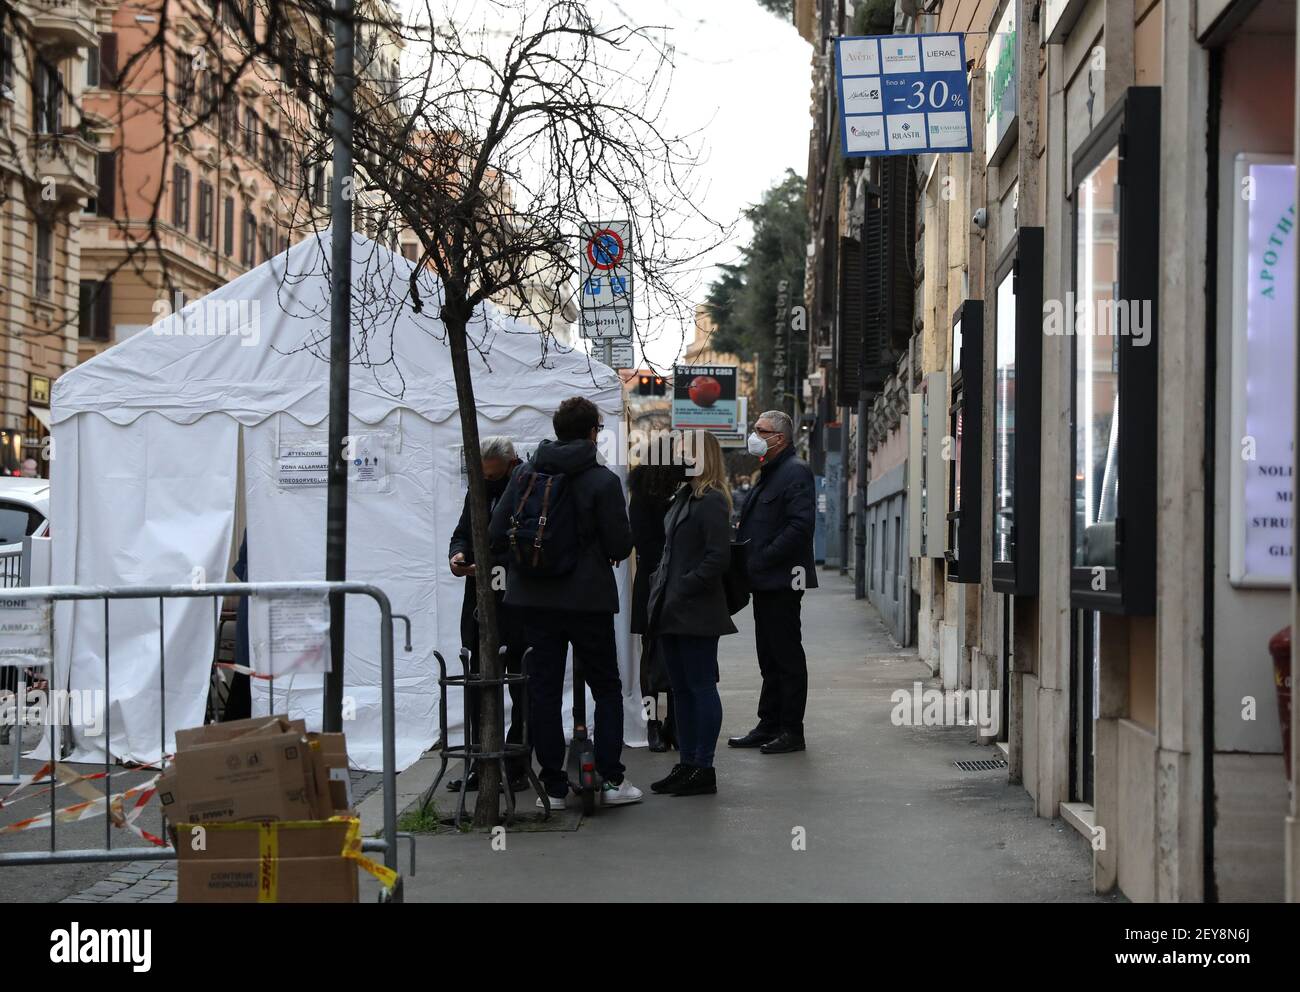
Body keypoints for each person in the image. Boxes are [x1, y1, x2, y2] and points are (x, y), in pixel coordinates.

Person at [489, 397, 642, 808]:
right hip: (588, 600)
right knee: (606, 688)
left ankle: (552, 787)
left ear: (556, 430)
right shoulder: (603, 482)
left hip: (534, 601)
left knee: (543, 690)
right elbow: (620, 543)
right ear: (594, 432)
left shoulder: (524, 474)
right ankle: (610, 780)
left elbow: (497, 529)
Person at [645, 430, 736, 796]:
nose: (680, 457)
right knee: (679, 690)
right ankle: (687, 764)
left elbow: (719, 557)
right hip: (670, 607)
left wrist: (685, 585)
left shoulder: (711, 500)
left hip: (696, 610)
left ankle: (704, 766)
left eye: (686, 452)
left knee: (700, 687)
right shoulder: (683, 497)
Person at [730, 409, 817, 754]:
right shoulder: (770, 471)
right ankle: (769, 724)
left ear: (779, 438)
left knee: (785, 655)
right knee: (769, 655)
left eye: (760, 430)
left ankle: (791, 731)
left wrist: (761, 557)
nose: (754, 434)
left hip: (782, 580)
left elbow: (799, 528)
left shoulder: (795, 472)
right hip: (765, 580)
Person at [448, 436, 528, 793]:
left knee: (521, 682)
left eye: (494, 475)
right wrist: (460, 554)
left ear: (511, 465)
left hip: (517, 601)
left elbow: (529, 547)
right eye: (484, 475)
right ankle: (482, 761)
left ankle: (516, 763)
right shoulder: (479, 488)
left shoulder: (529, 487)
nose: (488, 480)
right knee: (478, 682)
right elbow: (463, 531)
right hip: (479, 600)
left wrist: (490, 563)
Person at [627, 461, 684, 752]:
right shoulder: (669, 493)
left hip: (655, 582)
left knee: (657, 654)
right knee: (661, 654)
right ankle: (662, 723)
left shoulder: (647, 492)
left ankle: (662, 724)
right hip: (663, 583)